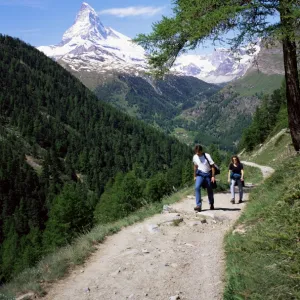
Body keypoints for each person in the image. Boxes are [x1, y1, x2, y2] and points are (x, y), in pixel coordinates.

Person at [193, 144, 216, 212]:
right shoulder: (195, 157)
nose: (197, 153)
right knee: (197, 187)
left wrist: (213, 176)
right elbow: (195, 166)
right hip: (200, 174)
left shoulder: (207, 156)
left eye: (199, 152)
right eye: (196, 152)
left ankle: (211, 203)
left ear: (201, 151)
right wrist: (194, 176)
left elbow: (212, 166)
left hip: (208, 174)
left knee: (209, 189)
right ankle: (198, 205)